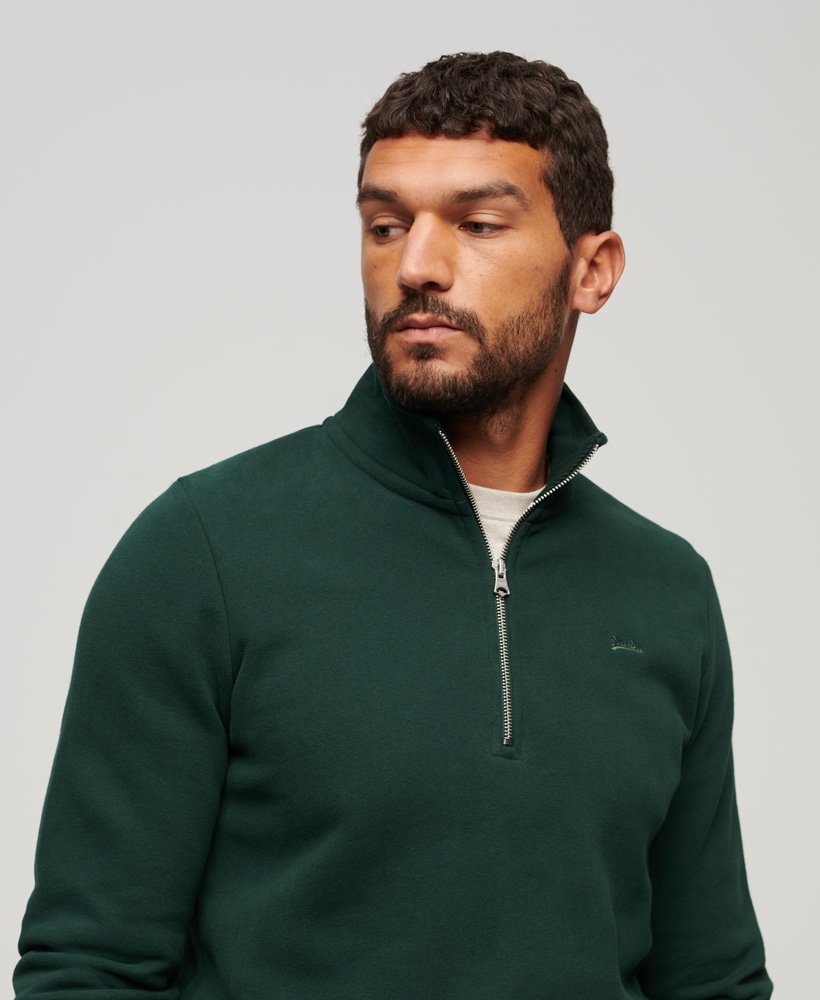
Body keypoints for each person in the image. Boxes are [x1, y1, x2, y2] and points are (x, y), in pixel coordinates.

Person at [14, 51, 773, 999]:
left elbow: (712, 979)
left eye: (478, 224)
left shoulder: (666, 590)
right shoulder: (203, 552)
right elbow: (90, 969)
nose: (416, 266)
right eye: (386, 225)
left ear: (593, 270)